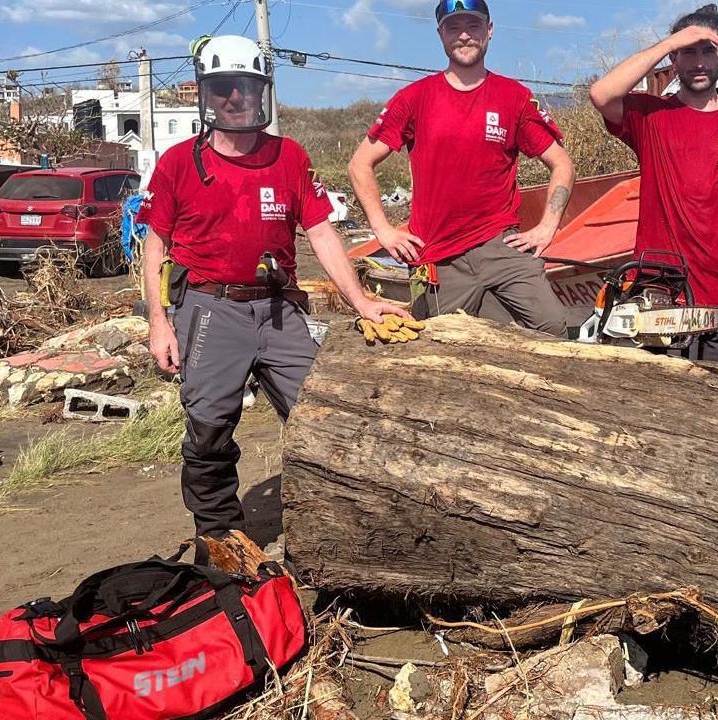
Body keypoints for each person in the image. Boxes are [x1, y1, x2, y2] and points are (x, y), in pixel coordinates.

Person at [141, 35, 410, 555]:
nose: (234, 99)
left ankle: (340, 526)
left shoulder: (289, 157)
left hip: (279, 309)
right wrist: (158, 321)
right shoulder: (179, 163)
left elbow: (324, 234)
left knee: (321, 412)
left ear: (262, 92)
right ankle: (219, 538)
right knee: (209, 427)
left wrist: (362, 301)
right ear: (205, 94)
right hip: (210, 307)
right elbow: (155, 244)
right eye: (222, 89)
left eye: (245, 88)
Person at [348, 0, 574, 336]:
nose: (464, 35)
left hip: (500, 244)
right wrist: (383, 230)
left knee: (553, 327)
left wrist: (547, 226)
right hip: (439, 255)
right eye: (453, 27)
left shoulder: (514, 97)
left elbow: (562, 164)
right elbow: (359, 165)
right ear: (440, 34)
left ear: (490, 31)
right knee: (439, 347)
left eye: (473, 26)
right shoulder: (414, 98)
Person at [588, 4, 718, 361]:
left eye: (707, 50)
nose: (698, 62)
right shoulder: (650, 115)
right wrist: (669, 42)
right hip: (662, 297)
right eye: (687, 52)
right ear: (674, 60)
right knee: (661, 410)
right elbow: (601, 94)